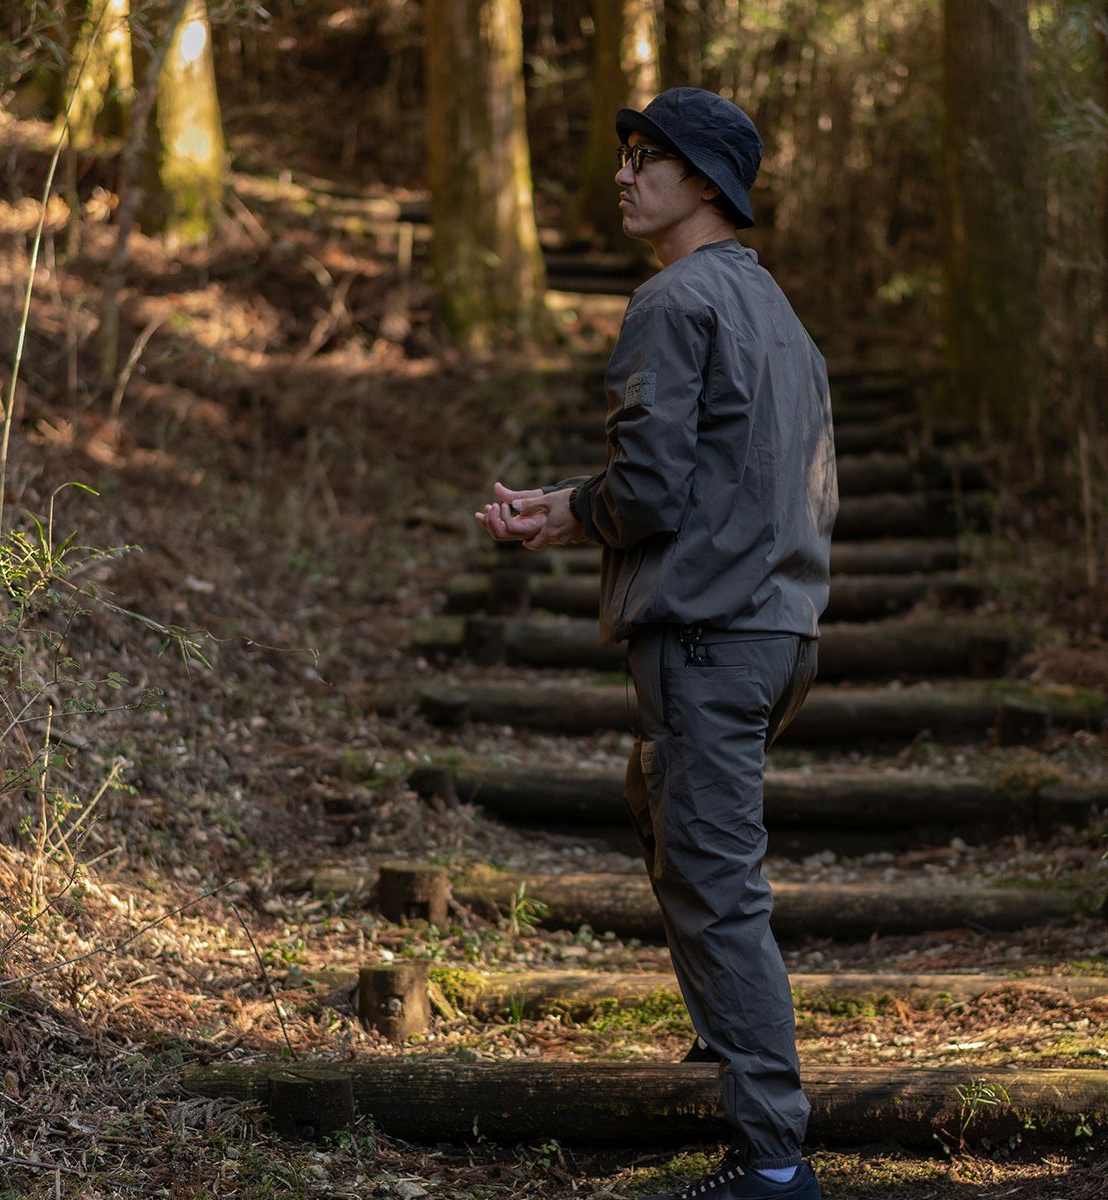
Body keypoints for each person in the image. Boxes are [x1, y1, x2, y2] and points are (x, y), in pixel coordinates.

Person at [475, 87, 837, 1200]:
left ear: (706, 183)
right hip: (778, 633)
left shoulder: (673, 300)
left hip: (709, 638)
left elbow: (646, 488)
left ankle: (773, 1160)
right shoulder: (778, 314)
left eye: (648, 158)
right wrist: (565, 508)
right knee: (667, 814)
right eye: (626, 154)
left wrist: (579, 509)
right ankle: (730, 1043)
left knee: (716, 881)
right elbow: (732, 480)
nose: (624, 175)